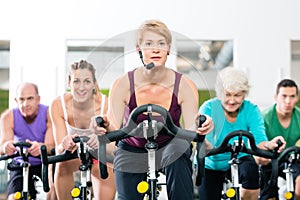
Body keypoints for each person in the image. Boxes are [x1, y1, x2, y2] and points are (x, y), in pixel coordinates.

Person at [96, 19, 213, 200]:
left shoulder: (185, 85)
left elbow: (191, 128)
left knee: (179, 150)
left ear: (168, 48)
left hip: (170, 145)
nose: (156, 49)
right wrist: (101, 126)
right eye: (149, 44)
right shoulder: (122, 83)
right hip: (132, 147)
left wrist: (201, 128)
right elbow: (113, 128)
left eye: (161, 44)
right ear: (139, 49)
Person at [196, 67, 286, 200]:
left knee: (251, 171)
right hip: (212, 162)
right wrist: (203, 142)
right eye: (227, 95)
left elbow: (259, 141)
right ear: (220, 93)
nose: (232, 101)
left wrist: (270, 144)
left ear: (244, 94)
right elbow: (206, 143)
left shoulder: (251, 109)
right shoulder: (209, 108)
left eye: (237, 95)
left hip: (240, 157)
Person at [50, 60, 116, 200]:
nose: (81, 88)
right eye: (76, 81)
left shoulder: (105, 105)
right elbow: (59, 149)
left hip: (101, 156)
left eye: (86, 81)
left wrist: (102, 141)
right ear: (69, 83)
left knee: (105, 167)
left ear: (94, 84)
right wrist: (65, 143)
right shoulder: (58, 105)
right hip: (73, 155)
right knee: (62, 165)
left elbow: (114, 148)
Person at [0, 82, 56, 200]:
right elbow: (2, 146)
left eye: (30, 98)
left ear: (38, 99)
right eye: (21, 99)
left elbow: (52, 147)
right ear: (16, 100)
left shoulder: (49, 114)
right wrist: (6, 147)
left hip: (44, 162)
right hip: (21, 162)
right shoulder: (8, 117)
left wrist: (41, 147)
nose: (25, 104)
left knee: (55, 190)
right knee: (13, 198)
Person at [260, 79, 300, 200]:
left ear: (297, 98)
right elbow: (257, 143)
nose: (288, 101)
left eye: (292, 96)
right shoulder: (265, 117)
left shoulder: (299, 116)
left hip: (291, 160)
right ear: (276, 97)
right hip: (269, 161)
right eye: (284, 96)